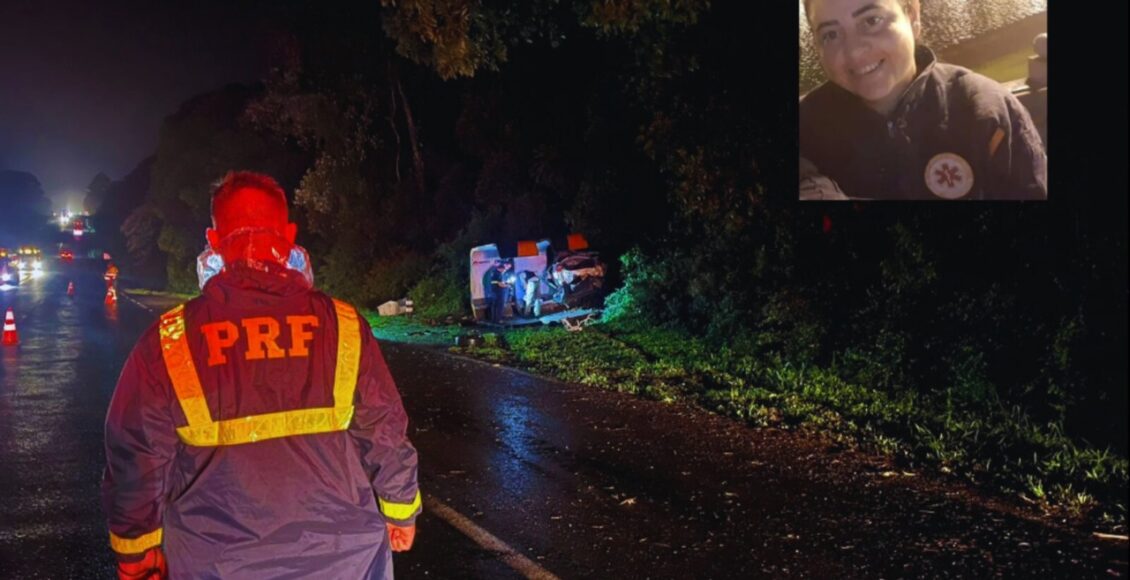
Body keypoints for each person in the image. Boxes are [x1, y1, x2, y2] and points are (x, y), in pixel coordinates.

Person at [102, 171, 421, 579]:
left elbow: (136, 451)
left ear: (213, 241)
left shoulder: (171, 339)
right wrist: (401, 509)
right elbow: (384, 428)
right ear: (289, 237)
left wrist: (136, 548)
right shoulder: (342, 325)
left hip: (216, 566)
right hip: (344, 563)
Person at [799, 0, 1047, 200]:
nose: (854, 52)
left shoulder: (986, 113)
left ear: (913, 16)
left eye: (871, 21)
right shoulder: (804, 130)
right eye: (830, 35)